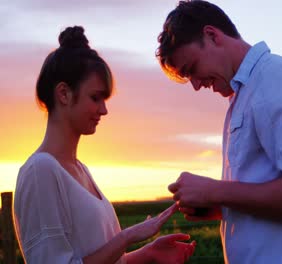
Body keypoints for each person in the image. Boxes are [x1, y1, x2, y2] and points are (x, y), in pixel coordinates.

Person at [156, 1, 282, 263]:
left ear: (212, 36)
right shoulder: (245, 95)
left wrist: (215, 191)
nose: (195, 85)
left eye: (192, 68)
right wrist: (221, 207)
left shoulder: (273, 78)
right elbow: (270, 196)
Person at [13, 26, 196, 264]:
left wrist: (147, 254)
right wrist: (127, 237)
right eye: (95, 98)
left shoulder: (80, 169)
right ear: (64, 94)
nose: (104, 110)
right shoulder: (40, 170)